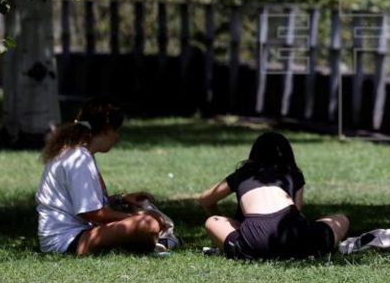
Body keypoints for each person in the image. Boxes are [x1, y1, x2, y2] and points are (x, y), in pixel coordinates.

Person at [36, 96, 164, 255]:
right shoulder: (78, 158)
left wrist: (121, 199)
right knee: (148, 224)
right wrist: (132, 217)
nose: (117, 137)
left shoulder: (79, 153)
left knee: (147, 222)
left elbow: (84, 203)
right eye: (117, 131)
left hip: (80, 234)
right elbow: (90, 212)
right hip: (68, 240)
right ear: (107, 130)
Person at [198, 131, 349, 260]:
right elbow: (297, 211)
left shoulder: (244, 173)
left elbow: (205, 199)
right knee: (342, 219)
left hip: (255, 241)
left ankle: (241, 249)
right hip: (296, 236)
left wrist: (227, 223)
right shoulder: (293, 174)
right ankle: (303, 250)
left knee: (212, 221)